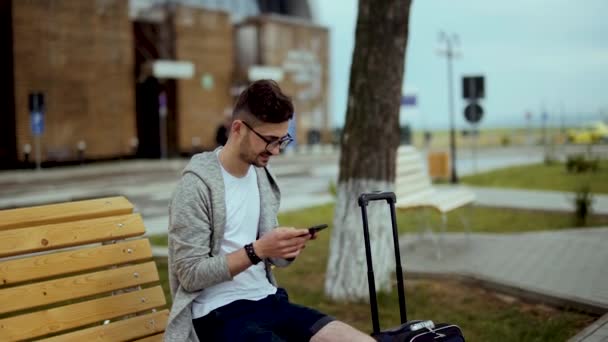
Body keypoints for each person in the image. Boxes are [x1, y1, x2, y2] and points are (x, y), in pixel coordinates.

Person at [164, 80, 373, 341]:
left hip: (268, 300)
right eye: (269, 140)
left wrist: (284, 249)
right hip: (217, 315)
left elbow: (266, 250)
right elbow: (190, 274)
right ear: (238, 129)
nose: (276, 150)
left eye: (282, 139)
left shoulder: (261, 175)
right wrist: (259, 250)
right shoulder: (196, 186)